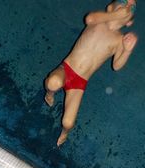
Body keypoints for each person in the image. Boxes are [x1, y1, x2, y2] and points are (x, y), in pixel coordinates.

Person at [45, 0, 138, 146]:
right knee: (52, 82)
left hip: (80, 82)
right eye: (123, 1)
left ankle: (65, 133)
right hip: (67, 68)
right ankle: (49, 94)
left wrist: (127, 50)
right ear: (109, 7)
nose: (126, 7)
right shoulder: (99, 20)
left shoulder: (120, 40)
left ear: (129, 23)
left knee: (68, 122)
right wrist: (114, 15)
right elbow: (89, 18)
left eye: (131, 7)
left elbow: (117, 65)